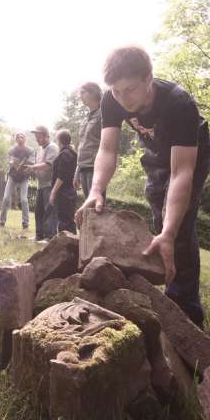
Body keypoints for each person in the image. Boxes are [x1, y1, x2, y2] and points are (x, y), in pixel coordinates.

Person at [75, 46, 210, 327]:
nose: (123, 99)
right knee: (157, 208)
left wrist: (169, 232)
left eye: (131, 89)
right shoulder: (111, 101)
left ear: (149, 78)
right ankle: (162, 274)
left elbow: (181, 173)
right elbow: (108, 149)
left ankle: (186, 311)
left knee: (178, 225)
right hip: (156, 153)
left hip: (191, 154)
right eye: (116, 91)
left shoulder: (179, 104)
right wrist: (96, 189)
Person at [27, 126, 59, 241]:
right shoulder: (40, 150)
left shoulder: (53, 148)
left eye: (39, 136)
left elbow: (49, 165)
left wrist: (33, 167)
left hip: (50, 185)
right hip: (40, 185)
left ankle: (49, 237)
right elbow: (38, 167)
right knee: (38, 211)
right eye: (36, 136)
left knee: (49, 211)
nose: (37, 139)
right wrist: (30, 169)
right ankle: (39, 235)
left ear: (46, 135)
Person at [0, 132, 34, 229]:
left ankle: (25, 222)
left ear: (25, 139)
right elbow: (8, 160)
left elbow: (32, 161)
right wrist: (11, 162)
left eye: (22, 137)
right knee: (6, 198)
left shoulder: (30, 150)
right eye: (18, 137)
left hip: (24, 177)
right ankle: (1, 220)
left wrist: (24, 164)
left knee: (23, 199)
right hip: (13, 176)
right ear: (16, 139)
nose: (20, 138)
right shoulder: (12, 150)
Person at [73, 82, 102, 198]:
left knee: (96, 207)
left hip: (95, 168)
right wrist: (77, 172)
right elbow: (82, 146)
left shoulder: (103, 114)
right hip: (83, 167)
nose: (80, 96)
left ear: (93, 93)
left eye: (83, 92)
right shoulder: (85, 118)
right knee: (88, 207)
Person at [50, 129, 78, 233]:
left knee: (64, 221)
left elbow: (61, 176)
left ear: (59, 140)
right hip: (70, 191)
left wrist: (53, 192)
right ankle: (71, 244)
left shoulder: (64, 154)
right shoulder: (72, 153)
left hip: (64, 192)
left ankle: (65, 246)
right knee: (69, 220)